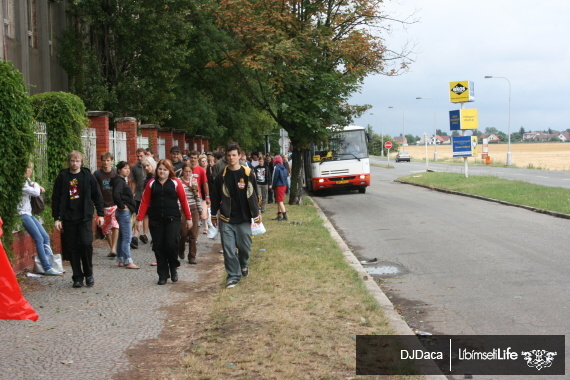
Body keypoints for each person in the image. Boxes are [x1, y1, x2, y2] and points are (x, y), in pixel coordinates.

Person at [210, 143, 261, 289]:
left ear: (239, 156)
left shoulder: (247, 173)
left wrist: (257, 213)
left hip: (244, 218)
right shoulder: (221, 176)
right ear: (226, 157)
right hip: (226, 218)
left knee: (245, 247)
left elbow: (255, 194)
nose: (231, 158)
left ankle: (243, 264)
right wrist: (213, 214)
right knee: (228, 249)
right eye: (229, 155)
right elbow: (215, 197)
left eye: (234, 155)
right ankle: (233, 275)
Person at [52, 150, 104, 288]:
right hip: (69, 217)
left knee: (86, 244)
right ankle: (77, 277)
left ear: (81, 162)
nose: (74, 164)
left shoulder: (87, 176)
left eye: (77, 161)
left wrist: (100, 214)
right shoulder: (62, 177)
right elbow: (56, 198)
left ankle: (88, 273)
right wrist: (56, 218)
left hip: (84, 217)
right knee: (73, 247)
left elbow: (97, 195)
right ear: (68, 162)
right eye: (72, 161)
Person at [136, 159, 192, 285]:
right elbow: (144, 202)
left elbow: (184, 201)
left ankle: (173, 267)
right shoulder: (151, 184)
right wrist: (139, 219)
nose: (162, 171)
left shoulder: (175, 183)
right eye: (160, 169)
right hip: (156, 221)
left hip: (173, 219)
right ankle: (162, 274)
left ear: (169, 171)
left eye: (165, 169)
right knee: (158, 247)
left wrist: (189, 218)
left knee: (171, 245)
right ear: (157, 170)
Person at [18, 163, 61, 275]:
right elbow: (37, 191)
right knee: (39, 238)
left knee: (45, 236)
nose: (30, 171)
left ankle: (50, 263)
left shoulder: (27, 181)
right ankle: (46, 267)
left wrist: (35, 184)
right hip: (22, 213)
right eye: (29, 169)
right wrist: (37, 185)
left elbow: (35, 187)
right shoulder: (19, 183)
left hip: (29, 213)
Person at [111, 161, 140, 269]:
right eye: (125, 168)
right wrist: (122, 206)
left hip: (123, 212)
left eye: (128, 168)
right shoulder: (119, 181)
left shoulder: (121, 180)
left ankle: (121, 259)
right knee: (127, 238)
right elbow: (116, 194)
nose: (127, 170)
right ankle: (128, 261)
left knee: (122, 237)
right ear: (119, 170)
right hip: (124, 212)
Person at [94, 152, 119, 258]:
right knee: (106, 228)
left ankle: (114, 248)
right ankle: (112, 248)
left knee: (115, 225)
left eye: (108, 160)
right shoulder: (97, 174)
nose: (105, 162)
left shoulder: (115, 173)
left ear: (112, 161)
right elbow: (94, 188)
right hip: (102, 205)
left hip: (114, 204)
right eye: (104, 160)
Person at [178, 163, 202, 265]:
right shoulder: (178, 181)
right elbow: (177, 196)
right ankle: (181, 248)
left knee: (193, 234)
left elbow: (197, 197)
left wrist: (200, 210)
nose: (188, 173)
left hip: (193, 208)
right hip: (182, 209)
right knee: (183, 233)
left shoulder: (194, 181)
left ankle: (192, 256)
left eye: (189, 172)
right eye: (186, 171)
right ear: (182, 171)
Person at [188, 151, 210, 233]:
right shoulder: (186, 168)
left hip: (197, 197)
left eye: (195, 158)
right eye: (191, 158)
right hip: (186, 197)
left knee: (197, 219)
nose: (193, 159)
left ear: (197, 159)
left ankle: (194, 238)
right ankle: (188, 235)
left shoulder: (201, 170)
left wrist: (207, 197)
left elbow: (205, 184)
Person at [129, 148, 147, 248]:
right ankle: (135, 237)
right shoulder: (135, 167)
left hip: (151, 196)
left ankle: (146, 234)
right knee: (138, 215)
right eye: (138, 156)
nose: (139, 158)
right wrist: (132, 194)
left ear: (145, 155)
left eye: (141, 156)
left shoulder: (151, 166)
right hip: (139, 195)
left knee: (149, 217)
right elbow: (134, 181)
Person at [272, 155, 289, 221]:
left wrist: (272, 187)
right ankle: (279, 214)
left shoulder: (276, 167)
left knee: (280, 201)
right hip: (284, 185)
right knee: (280, 200)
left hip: (278, 185)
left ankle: (285, 216)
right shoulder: (284, 167)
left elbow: (274, 178)